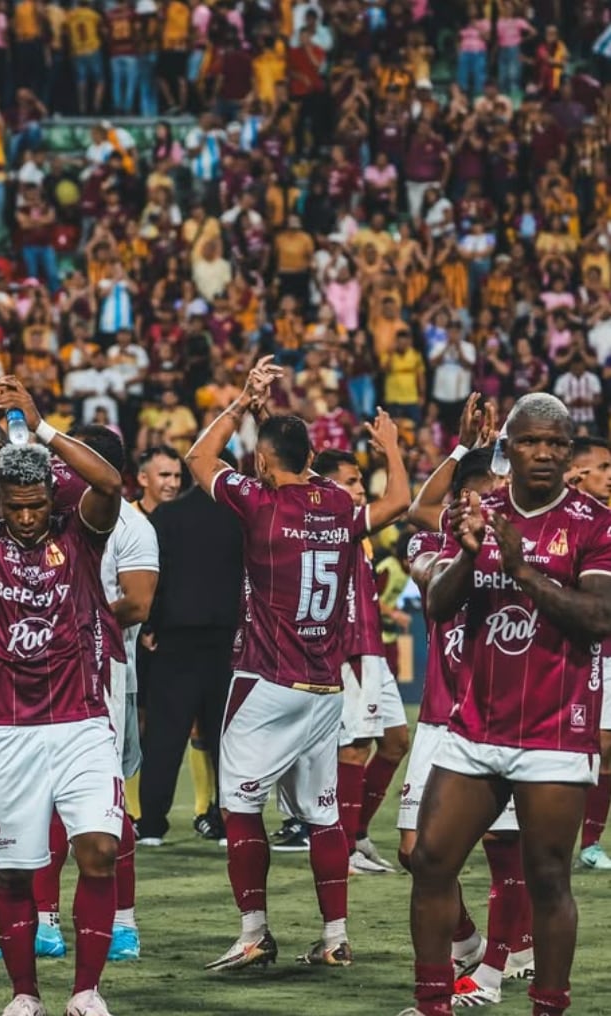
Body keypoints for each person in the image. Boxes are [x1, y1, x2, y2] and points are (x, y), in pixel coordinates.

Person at [185, 357, 410, 972]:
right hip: (325, 689)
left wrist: (239, 402)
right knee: (324, 815)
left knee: (239, 807)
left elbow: (199, 461)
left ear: (261, 460)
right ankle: (335, 936)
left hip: (265, 680)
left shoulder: (260, 501)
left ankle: (254, 930)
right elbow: (399, 501)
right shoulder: (338, 503)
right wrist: (390, 447)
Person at [0, 377, 125, 1016]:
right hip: (8, 730)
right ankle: (25, 994)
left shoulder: (80, 535)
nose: (29, 517)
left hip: (82, 721)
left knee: (99, 852)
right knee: (15, 874)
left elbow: (112, 484)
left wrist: (39, 426)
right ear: (2, 501)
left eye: (38, 505)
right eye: (17, 507)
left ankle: (86, 992)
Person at [407, 393, 611, 1016]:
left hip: (554, 731)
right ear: (510, 447)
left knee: (548, 877)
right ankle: (433, 1002)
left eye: (557, 443)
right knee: (430, 860)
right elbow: (439, 607)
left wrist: (523, 571)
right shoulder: (476, 511)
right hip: (475, 727)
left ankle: (548, 1005)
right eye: (530, 441)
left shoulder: (596, 524)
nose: (544, 453)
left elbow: (599, 617)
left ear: (569, 450)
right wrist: (470, 554)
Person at [0, 424, 156, 967]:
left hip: (101, 672)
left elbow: (137, 602)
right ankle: (44, 924)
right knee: (44, 803)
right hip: (49, 672)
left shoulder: (129, 524)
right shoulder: (50, 514)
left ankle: (124, 924)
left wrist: (70, 619)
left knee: (106, 810)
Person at [401, 448, 532, 1008]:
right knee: (415, 853)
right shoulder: (434, 545)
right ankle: (473, 942)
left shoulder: (523, 549)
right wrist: (456, 450)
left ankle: (494, 973)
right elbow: (416, 510)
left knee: (507, 851)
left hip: (496, 721)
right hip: (437, 720)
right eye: (469, 498)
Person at [135, 450, 242, 848]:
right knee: (226, 740)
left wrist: (152, 624)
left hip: (175, 640)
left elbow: (154, 578)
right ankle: (230, 822)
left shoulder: (166, 516)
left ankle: (151, 826)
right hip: (227, 642)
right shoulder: (241, 517)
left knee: (165, 735)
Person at [312, 449, 411, 876]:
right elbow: (400, 502)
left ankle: (360, 833)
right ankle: (344, 846)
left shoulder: (355, 528)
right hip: (347, 647)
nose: (358, 490)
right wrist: (391, 449)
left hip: (370, 647)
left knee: (395, 741)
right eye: (351, 481)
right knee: (354, 748)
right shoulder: (332, 521)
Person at [568, 437, 611, 872]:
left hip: (607, 648)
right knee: (581, 745)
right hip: (566, 650)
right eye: (602, 467)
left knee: (606, 745)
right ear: (577, 472)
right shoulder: (561, 521)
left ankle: (590, 843)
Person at [132, 445, 182, 514]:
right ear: (143, 479)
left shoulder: (187, 517)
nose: (173, 484)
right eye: (165, 475)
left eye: (177, 476)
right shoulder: (124, 518)